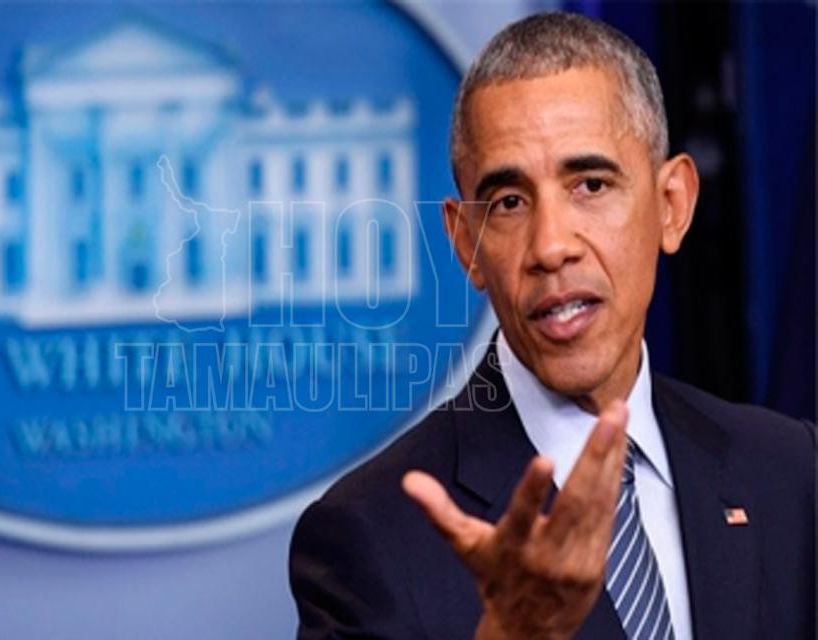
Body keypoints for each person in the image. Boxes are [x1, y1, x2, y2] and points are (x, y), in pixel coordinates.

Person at [288, 11, 815, 640]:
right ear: (466, 242)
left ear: (671, 205)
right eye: (509, 202)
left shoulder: (789, 472)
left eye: (590, 185)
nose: (551, 246)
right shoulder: (369, 538)